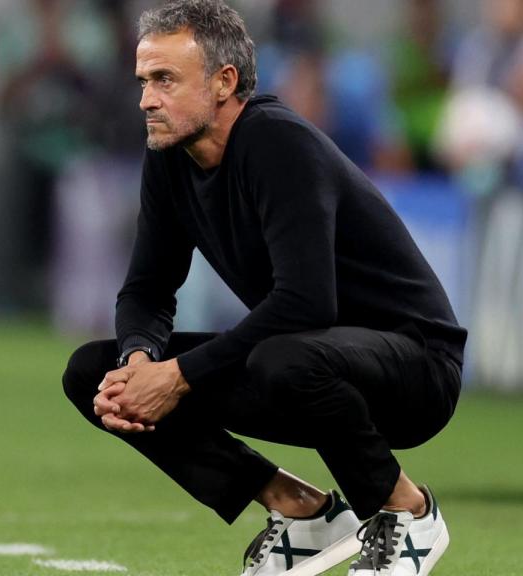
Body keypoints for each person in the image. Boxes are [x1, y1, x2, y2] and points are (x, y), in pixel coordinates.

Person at [61, 2, 466, 575]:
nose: (147, 99)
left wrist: (176, 377)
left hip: (415, 368)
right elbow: (147, 289)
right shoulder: (171, 156)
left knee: (283, 356)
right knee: (92, 371)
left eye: (165, 80)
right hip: (309, 367)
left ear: (225, 81)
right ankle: (304, 513)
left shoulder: (278, 144)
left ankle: (408, 513)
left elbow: (306, 302)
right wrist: (139, 361)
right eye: (144, 81)